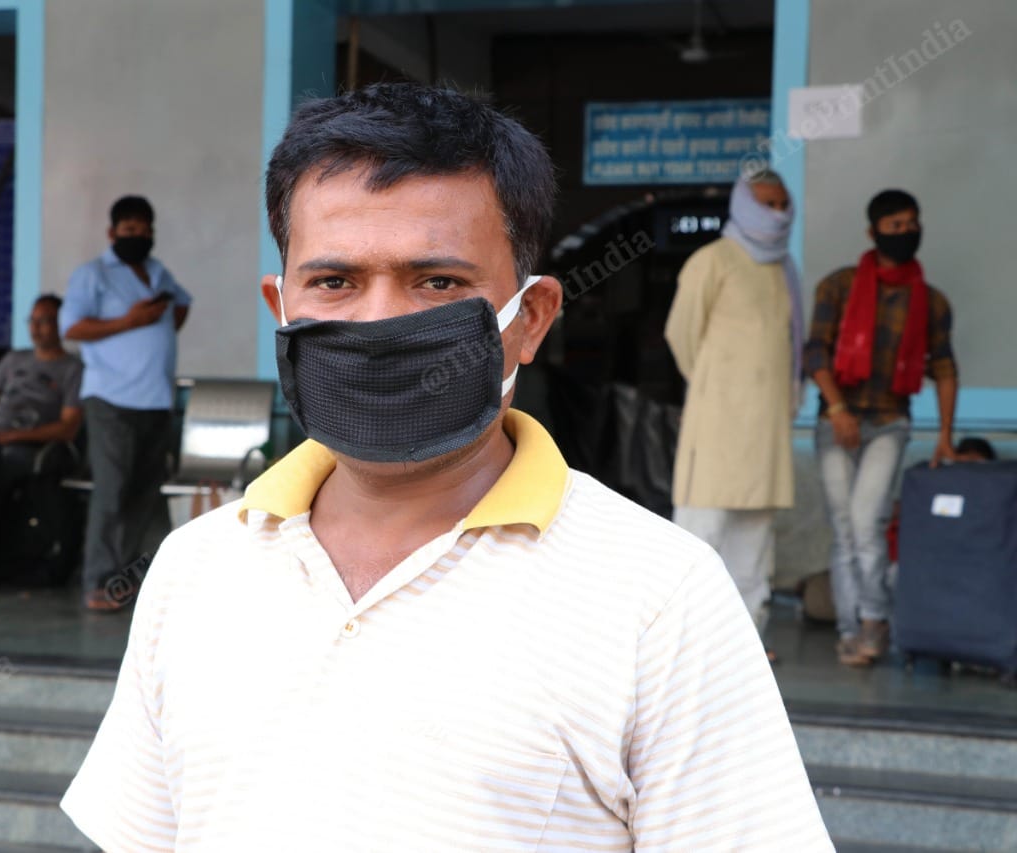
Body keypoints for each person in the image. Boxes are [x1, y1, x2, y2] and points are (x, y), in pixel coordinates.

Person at [60, 84, 830, 851]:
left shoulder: (662, 596)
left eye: (438, 282)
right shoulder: (195, 565)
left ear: (531, 319)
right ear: (281, 307)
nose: (379, 321)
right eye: (335, 282)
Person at [804, 189, 957, 667]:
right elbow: (815, 353)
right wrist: (838, 409)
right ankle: (850, 629)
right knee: (844, 527)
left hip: (889, 423)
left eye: (912, 224)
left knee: (866, 521)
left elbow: (944, 368)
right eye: (896, 226)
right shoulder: (839, 286)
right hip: (836, 422)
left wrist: (946, 435)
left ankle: (873, 620)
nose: (906, 232)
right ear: (873, 232)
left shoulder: (930, 301)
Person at [664, 169, 803, 653]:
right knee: (699, 538)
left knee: (755, 544)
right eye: (766, 203)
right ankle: (686, 650)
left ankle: (746, 648)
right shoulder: (712, 260)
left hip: (767, 427)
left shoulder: (785, 268)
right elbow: (682, 335)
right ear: (743, 204)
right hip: (717, 421)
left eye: (782, 204)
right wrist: (715, 386)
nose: (776, 213)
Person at [59, 195, 192, 612]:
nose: (139, 236)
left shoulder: (157, 271)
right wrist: (130, 323)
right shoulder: (93, 274)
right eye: (130, 229)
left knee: (142, 494)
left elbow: (182, 303)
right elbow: (72, 328)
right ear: (112, 233)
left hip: (156, 397)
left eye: (145, 229)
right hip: (111, 398)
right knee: (112, 491)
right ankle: (97, 581)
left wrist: (159, 331)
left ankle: (124, 584)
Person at [0, 294, 83, 489]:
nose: (35, 328)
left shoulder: (73, 369)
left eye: (43, 321)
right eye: (32, 320)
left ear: (61, 323)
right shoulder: (13, 359)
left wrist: (11, 436)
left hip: (29, 444)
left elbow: (68, 428)